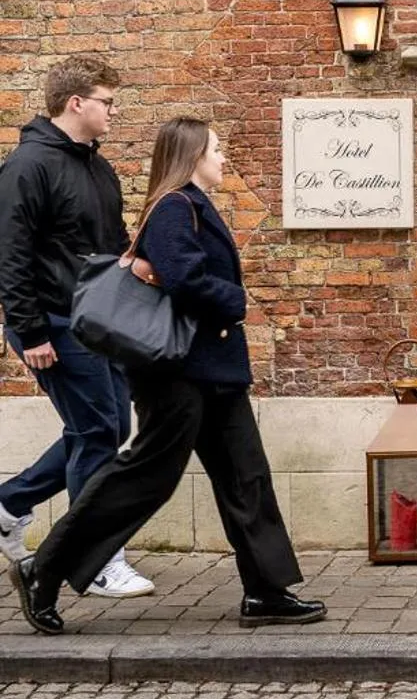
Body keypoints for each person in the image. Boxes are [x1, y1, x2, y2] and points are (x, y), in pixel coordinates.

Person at [10, 116, 325, 634]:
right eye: (217, 150)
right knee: (142, 480)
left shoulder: (193, 206)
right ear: (193, 155)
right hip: (177, 376)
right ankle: (43, 571)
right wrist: (235, 301)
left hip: (213, 373)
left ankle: (267, 591)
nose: (225, 158)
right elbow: (184, 278)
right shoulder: (176, 207)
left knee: (246, 477)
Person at [0, 57, 154, 596]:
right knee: (97, 433)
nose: (114, 111)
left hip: (96, 321)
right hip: (54, 324)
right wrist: (32, 331)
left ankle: (10, 503)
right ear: (76, 104)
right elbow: (10, 256)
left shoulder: (97, 166)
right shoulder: (28, 167)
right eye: (107, 101)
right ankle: (95, 558)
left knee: (108, 429)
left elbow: (109, 246)